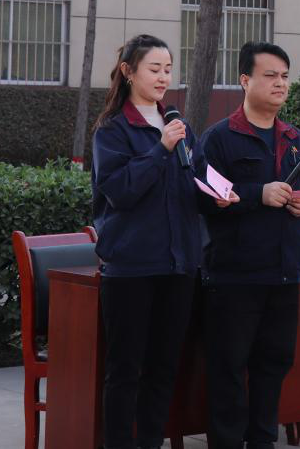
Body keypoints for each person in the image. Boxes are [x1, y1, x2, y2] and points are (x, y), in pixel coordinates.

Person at [92, 34, 226, 449]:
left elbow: (198, 178)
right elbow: (120, 190)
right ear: (129, 72)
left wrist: (221, 195)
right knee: (125, 370)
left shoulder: (179, 126)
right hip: (131, 267)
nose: (164, 77)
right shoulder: (113, 130)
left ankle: (151, 442)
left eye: (168, 69)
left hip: (179, 265)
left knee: (164, 368)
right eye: (154, 69)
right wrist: (161, 149)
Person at [198, 41, 300, 449]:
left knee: (275, 364)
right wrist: (257, 194)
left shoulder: (294, 137)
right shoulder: (220, 138)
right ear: (245, 80)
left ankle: (263, 442)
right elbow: (203, 199)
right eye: (270, 76)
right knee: (229, 368)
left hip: (284, 273)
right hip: (235, 276)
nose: (280, 83)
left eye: (285, 76)